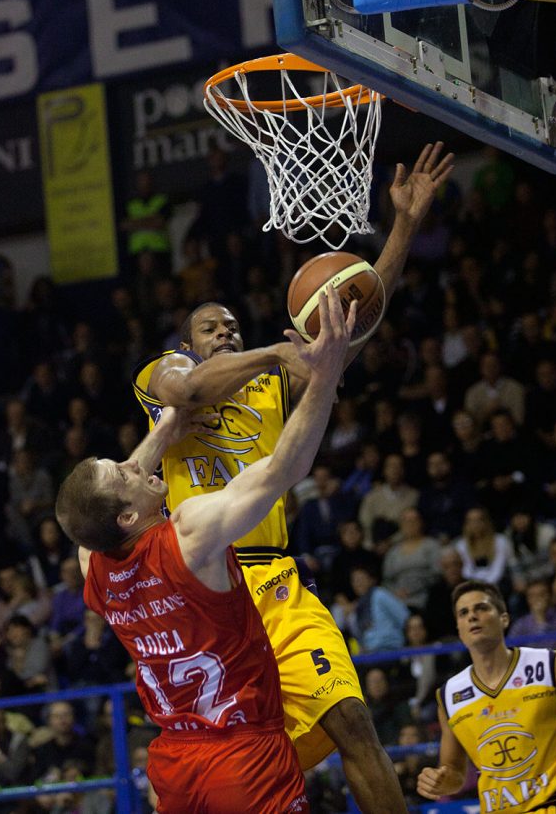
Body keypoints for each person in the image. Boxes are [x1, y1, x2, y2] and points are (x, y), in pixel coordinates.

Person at [130, 143, 454, 805]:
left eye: (232, 325)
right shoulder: (163, 373)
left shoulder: (272, 387)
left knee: (353, 721)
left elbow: (351, 327)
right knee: (213, 765)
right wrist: (277, 346)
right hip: (202, 595)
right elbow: (186, 393)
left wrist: (403, 227)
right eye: (211, 327)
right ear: (189, 341)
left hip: (273, 579)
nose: (224, 331)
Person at [57, 289, 407, 814]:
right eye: (127, 471)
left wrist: (165, 430)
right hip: (244, 751)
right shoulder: (191, 539)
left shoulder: (97, 575)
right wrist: (324, 376)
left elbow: (96, 522)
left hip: (177, 758)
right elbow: (285, 467)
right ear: (126, 516)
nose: (138, 464)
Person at [417, 580, 556, 812]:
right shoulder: (449, 695)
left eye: (481, 608)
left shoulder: (550, 665)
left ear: (504, 618)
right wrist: (440, 781)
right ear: (459, 630)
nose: (472, 616)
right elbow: (454, 773)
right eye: (464, 613)